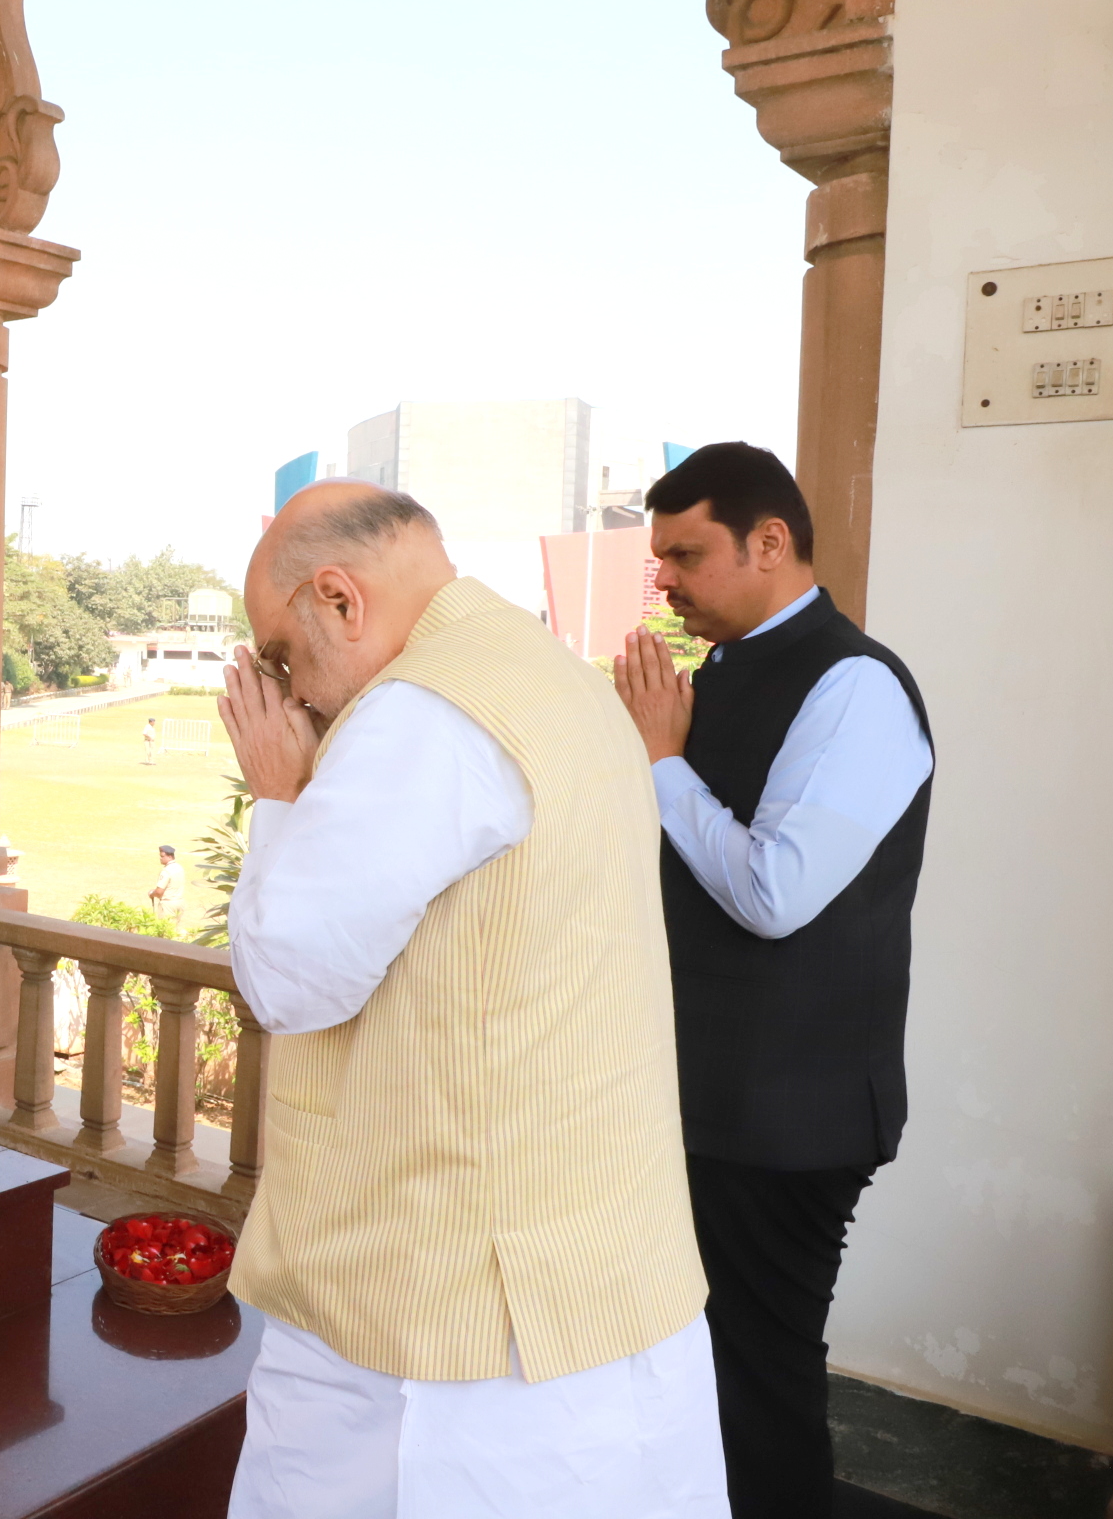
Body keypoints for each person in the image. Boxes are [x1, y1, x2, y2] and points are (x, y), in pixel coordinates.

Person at [218, 480, 726, 1518]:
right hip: (598, 1259)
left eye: (282, 655)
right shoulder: (554, 675)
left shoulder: (423, 713)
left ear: (341, 600)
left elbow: (290, 976)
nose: (294, 692)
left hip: (459, 1315)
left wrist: (280, 797)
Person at [612, 442, 932, 1519]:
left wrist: (661, 762)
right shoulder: (727, 672)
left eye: (685, 553)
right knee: (695, 1370)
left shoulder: (857, 686)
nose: (665, 580)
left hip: (786, 1113)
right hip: (711, 1100)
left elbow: (774, 891)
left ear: (771, 541)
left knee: (756, 1384)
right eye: (658, 558)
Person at [148, 844, 185, 922]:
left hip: (168, 905)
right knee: (176, 929)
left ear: (169, 857)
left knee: (165, 930)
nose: (160, 858)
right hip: (179, 902)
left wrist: (152, 893)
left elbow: (159, 892)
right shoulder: (179, 868)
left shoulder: (166, 871)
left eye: (162, 856)